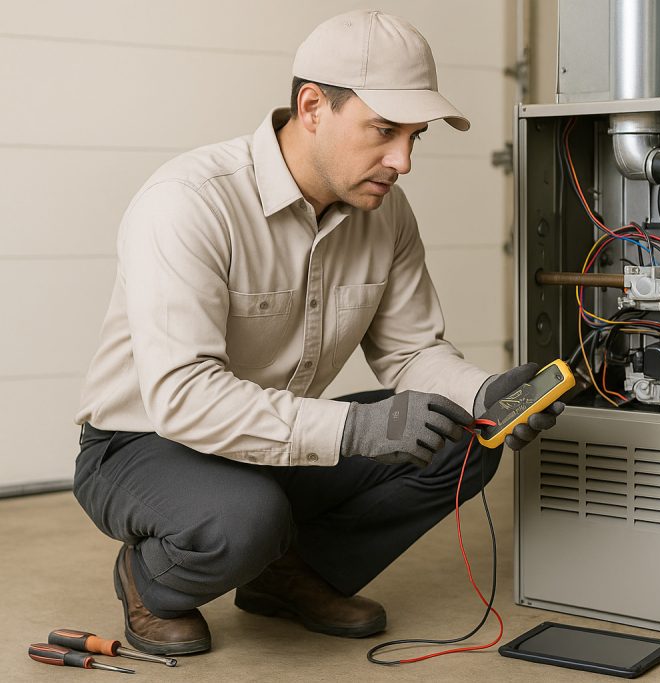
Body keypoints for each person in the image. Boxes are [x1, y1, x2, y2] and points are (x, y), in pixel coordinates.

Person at [72, 10, 563, 656]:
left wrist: (482, 395)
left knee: (460, 440)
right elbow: (183, 396)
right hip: (143, 442)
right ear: (311, 107)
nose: (403, 161)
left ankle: (286, 573)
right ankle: (149, 578)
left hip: (269, 437)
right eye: (384, 131)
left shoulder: (385, 214)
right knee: (247, 517)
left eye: (414, 137)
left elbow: (412, 351)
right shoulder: (188, 202)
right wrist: (354, 429)